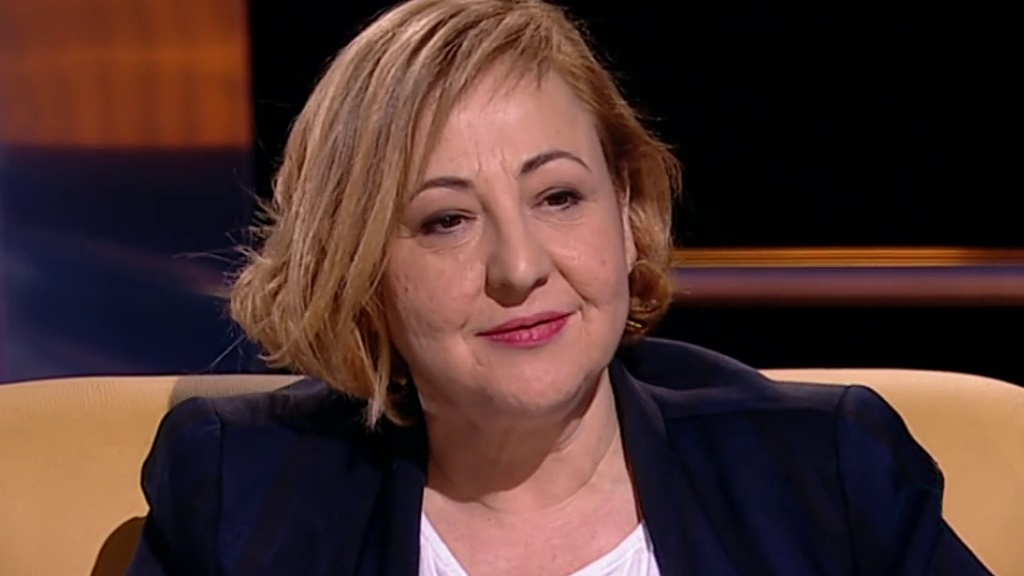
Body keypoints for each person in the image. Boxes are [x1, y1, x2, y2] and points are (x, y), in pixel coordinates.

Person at [127, 0, 992, 574]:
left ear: (626, 210)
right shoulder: (240, 494)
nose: (520, 267)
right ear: (355, 272)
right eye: (446, 220)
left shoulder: (822, 473)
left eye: (558, 197)